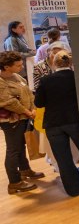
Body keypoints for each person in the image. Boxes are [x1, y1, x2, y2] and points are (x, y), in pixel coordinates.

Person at [33, 51, 79, 197]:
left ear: (53, 63)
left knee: (63, 159)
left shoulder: (46, 80)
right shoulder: (77, 78)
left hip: (53, 123)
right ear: (71, 63)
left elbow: (39, 102)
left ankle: (73, 191)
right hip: (76, 121)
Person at [0, 51, 43, 194]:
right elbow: (8, 102)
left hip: (24, 117)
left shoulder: (16, 76)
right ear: (6, 67)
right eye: (18, 65)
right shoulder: (1, 81)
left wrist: (33, 108)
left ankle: (24, 170)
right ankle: (14, 182)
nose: (22, 66)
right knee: (13, 149)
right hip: (11, 120)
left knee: (20, 145)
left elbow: (28, 92)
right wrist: (27, 111)